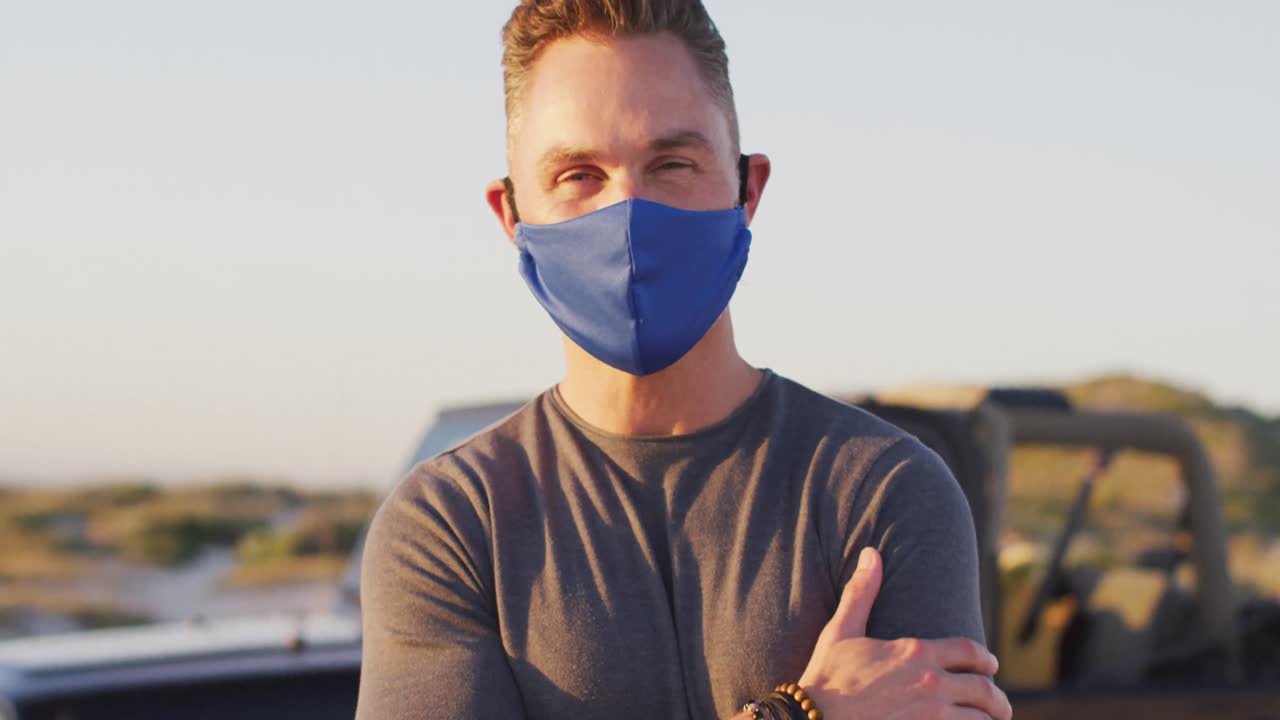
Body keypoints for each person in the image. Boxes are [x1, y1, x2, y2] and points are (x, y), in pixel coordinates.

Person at [355, 2, 1012, 719]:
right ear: (511, 216)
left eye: (671, 163)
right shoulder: (452, 525)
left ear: (747, 190)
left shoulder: (883, 491)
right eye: (578, 174)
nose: (628, 212)